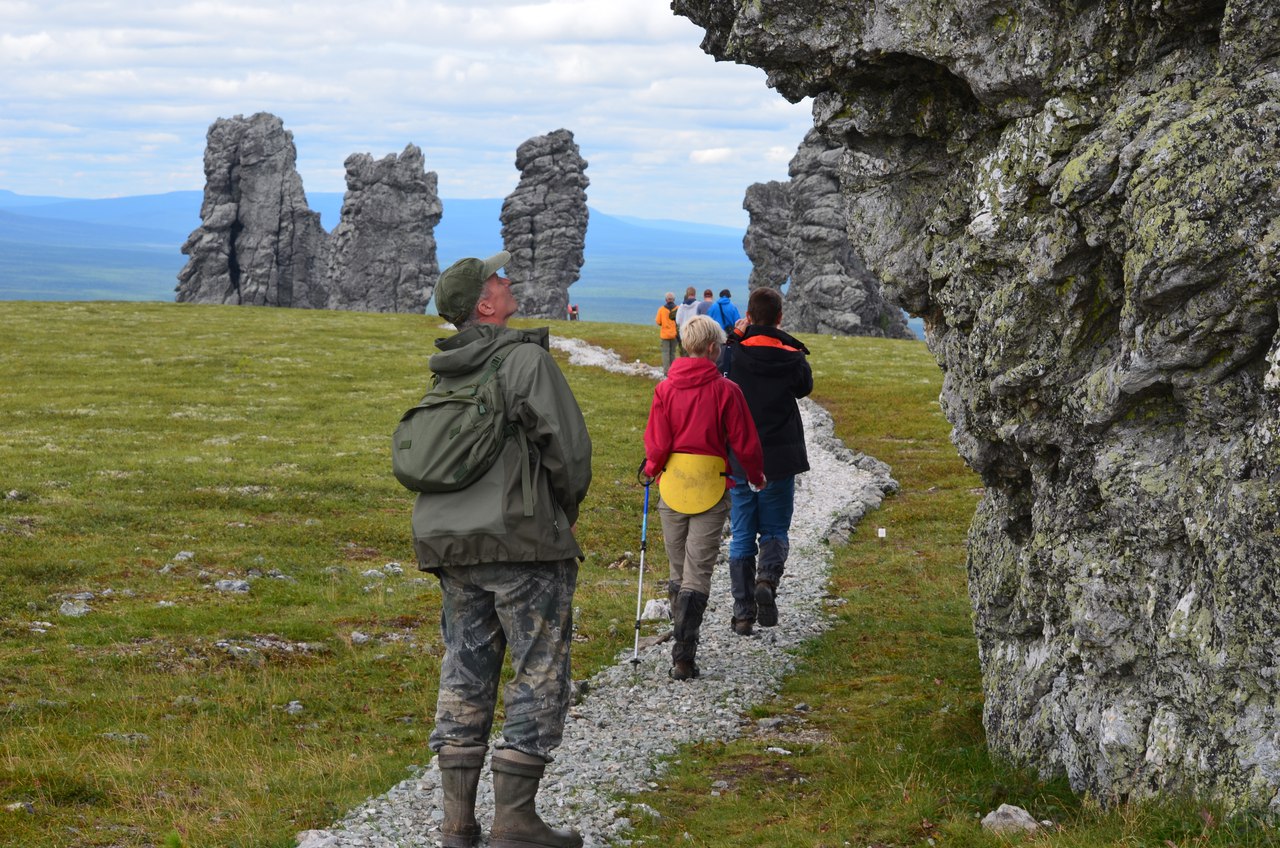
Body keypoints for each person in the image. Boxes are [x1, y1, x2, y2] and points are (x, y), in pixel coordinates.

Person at [417, 250, 592, 848]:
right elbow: (569, 450)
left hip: (450, 544)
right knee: (538, 668)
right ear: (485, 305)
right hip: (522, 542)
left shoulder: (448, 370)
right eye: (497, 277)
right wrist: (558, 515)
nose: (507, 279)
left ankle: (456, 824)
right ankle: (515, 820)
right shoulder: (523, 359)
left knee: (464, 668)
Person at [643, 315, 765, 680]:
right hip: (711, 487)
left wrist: (651, 469)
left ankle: (680, 646)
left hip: (672, 486)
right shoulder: (728, 391)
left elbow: (658, 444)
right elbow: (745, 442)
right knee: (698, 571)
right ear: (712, 348)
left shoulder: (665, 389)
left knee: (678, 569)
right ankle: (684, 655)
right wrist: (756, 476)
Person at [717, 287, 812, 636]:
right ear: (780, 317)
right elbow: (804, 388)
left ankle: (743, 614)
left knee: (742, 534)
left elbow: (719, 366)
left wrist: (735, 335)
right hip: (779, 458)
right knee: (774, 529)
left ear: (748, 316)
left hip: (740, 456)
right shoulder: (792, 355)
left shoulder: (734, 353)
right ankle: (767, 580)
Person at [654, 291, 679, 374]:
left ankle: (666, 371)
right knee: (673, 353)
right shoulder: (678, 308)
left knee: (665, 353)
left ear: (666, 299)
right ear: (674, 299)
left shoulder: (661, 309)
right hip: (674, 334)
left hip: (665, 335)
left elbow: (658, 322)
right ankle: (673, 370)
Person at [674, 286, 700, 354]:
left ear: (687, 294)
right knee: (695, 354)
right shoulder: (699, 305)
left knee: (686, 354)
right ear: (695, 294)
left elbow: (678, 321)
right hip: (695, 334)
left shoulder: (681, 306)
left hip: (684, 334)